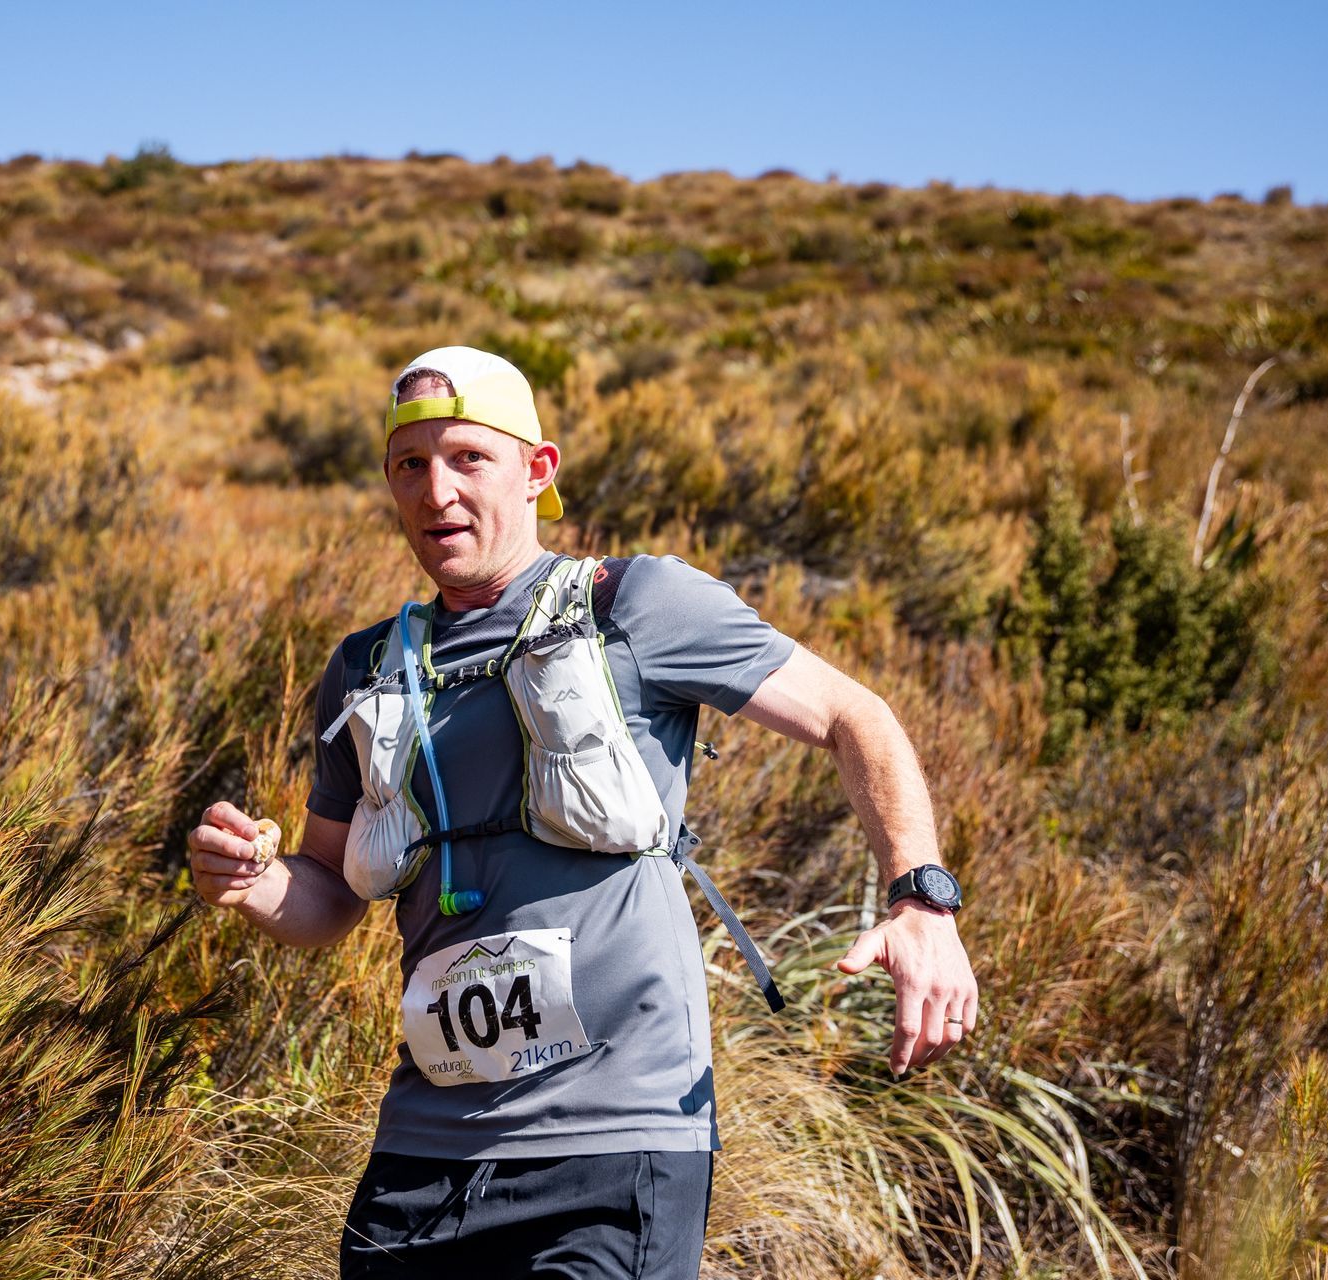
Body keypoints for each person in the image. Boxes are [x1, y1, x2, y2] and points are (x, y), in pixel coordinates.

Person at [188, 346, 978, 1278]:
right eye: (411, 465)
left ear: (537, 471)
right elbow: (324, 897)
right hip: (424, 1155)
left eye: (468, 459)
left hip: (615, 1145)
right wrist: (251, 879)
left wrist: (921, 900)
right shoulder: (365, 667)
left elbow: (857, 718)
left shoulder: (636, 605)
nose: (436, 490)